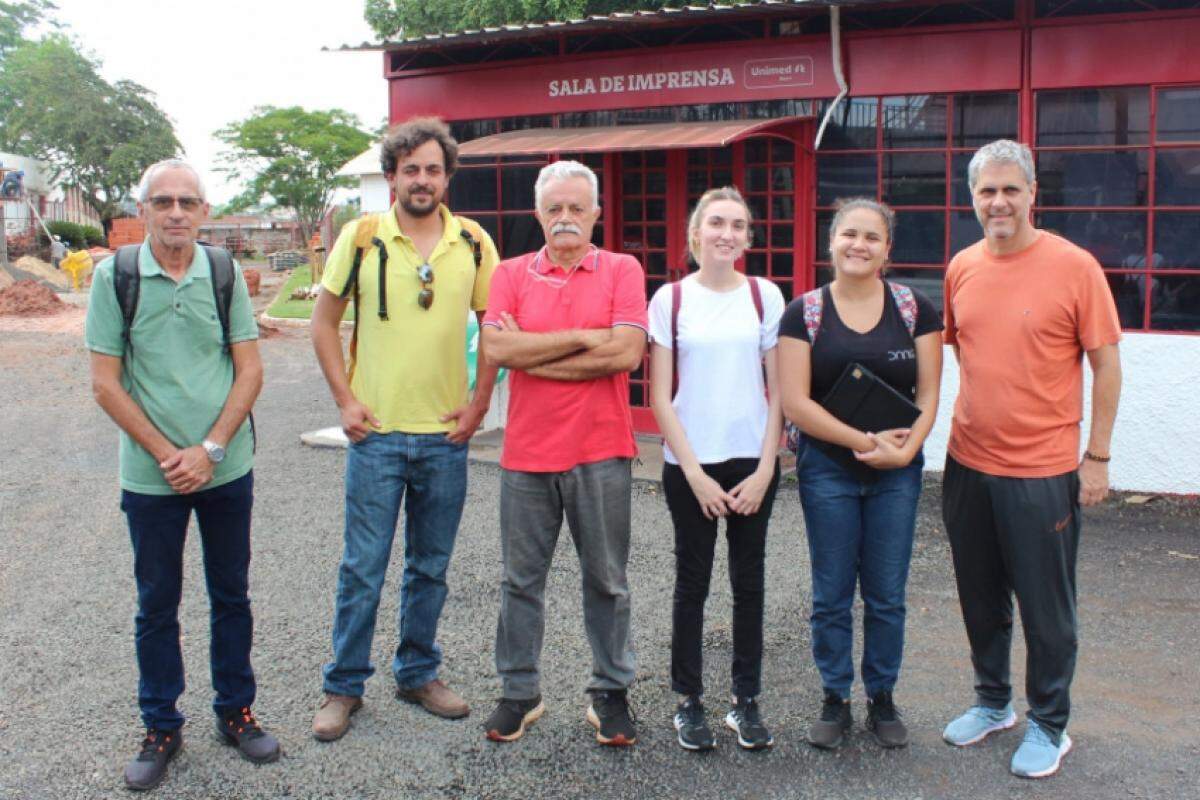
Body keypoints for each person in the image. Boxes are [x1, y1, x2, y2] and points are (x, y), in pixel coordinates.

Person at [85, 159, 277, 791]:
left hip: (226, 470)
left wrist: (210, 449)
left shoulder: (222, 273)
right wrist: (171, 453)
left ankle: (235, 711)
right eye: (162, 201)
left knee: (231, 596)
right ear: (142, 210)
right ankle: (161, 724)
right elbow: (105, 384)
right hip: (151, 477)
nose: (175, 212)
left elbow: (248, 370)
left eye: (186, 202)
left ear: (204, 211)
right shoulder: (114, 278)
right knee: (156, 604)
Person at [310, 118, 500, 741]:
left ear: (448, 177)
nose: (423, 180)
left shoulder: (473, 242)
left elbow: (494, 333)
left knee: (430, 566)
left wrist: (478, 406)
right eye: (411, 169)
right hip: (378, 435)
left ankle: (418, 672)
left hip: (446, 439)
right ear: (392, 175)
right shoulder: (362, 238)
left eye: (433, 169)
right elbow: (322, 323)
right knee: (363, 566)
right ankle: (344, 687)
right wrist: (345, 401)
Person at [940, 140, 1121, 779]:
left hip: (1043, 471)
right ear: (972, 198)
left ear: (1033, 193)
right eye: (987, 191)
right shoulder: (962, 266)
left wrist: (1095, 456)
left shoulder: (1075, 267)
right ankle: (994, 703)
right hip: (967, 464)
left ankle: (1050, 724)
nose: (999, 202)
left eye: (1011, 189)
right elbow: (966, 353)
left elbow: (1105, 364)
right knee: (980, 597)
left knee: (1048, 609)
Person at [479, 160, 647, 747]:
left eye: (578, 208)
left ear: (597, 213)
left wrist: (534, 351)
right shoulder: (509, 273)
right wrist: (584, 336)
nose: (566, 218)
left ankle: (610, 692)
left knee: (607, 579)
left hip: (601, 451)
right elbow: (497, 350)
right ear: (539, 215)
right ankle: (519, 692)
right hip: (525, 454)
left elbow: (625, 354)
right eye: (555, 209)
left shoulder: (623, 269)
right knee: (520, 581)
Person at [778, 198, 943, 751]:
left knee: (887, 593)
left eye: (872, 238)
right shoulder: (804, 313)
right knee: (831, 592)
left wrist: (907, 450)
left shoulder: (916, 309)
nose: (859, 245)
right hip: (827, 469)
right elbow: (796, 402)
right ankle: (834, 696)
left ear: (887, 250)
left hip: (898, 472)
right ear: (831, 242)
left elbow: (931, 393)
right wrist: (860, 442)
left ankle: (883, 696)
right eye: (849, 234)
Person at [647, 187, 784, 752]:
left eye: (738, 225)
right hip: (690, 465)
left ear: (748, 239)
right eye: (716, 223)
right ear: (695, 233)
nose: (727, 233)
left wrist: (767, 469)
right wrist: (697, 473)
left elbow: (781, 393)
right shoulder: (670, 299)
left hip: (753, 460)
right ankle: (689, 701)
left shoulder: (765, 296)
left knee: (749, 584)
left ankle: (745, 701)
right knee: (692, 584)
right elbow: (658, 397)